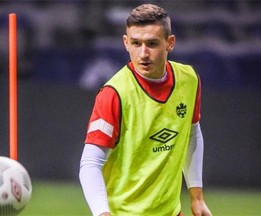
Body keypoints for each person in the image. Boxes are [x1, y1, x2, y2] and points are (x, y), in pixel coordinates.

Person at [79, 3, 212, 216]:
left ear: (170, 43)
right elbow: (90, 162)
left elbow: (192, 132)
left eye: (152, 43)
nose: (143, 54)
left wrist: (197, 198)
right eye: (136, 43)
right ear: (125, 43)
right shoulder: (114, 93)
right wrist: (102, 213)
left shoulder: (189, 79)